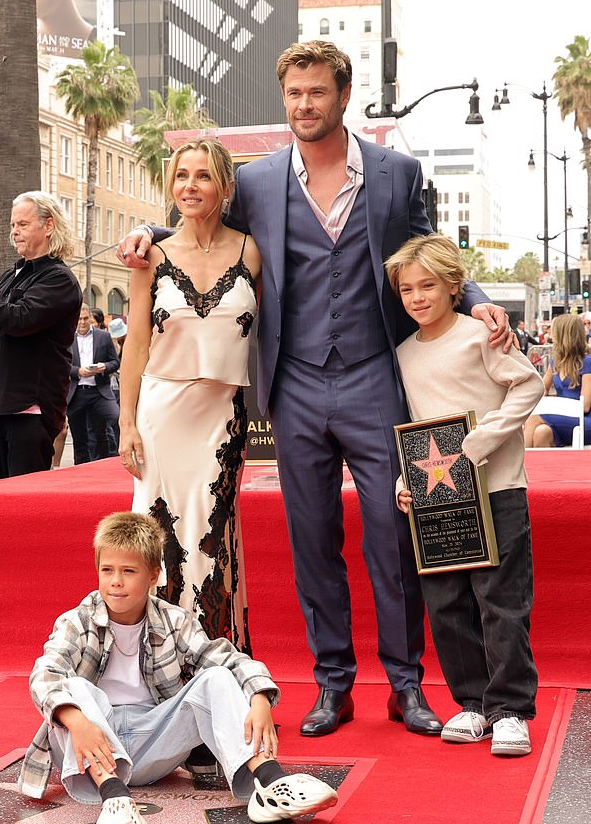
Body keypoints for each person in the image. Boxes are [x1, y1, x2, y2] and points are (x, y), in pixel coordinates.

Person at [117, 41, 513, 738]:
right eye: (294, 94)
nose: (304, 104)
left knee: (394, 536)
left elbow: (431, 245)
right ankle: (333, 685)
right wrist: (148, 236)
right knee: (313, 539)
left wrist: (474, 297)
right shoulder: (260, 179)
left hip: (373, 377)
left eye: (317, 93)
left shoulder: (397, 173)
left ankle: (405, 684)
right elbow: (203, 221)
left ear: (343, 94)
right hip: (295, 382)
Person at [18, 511, 337, 824]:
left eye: (128, 571)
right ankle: (115, 800)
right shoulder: (76, 621)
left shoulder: (173, 619)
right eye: (107, 570)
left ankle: (270, 786)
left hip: (154, 742)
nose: (115, 582)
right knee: (74, 687)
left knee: (215, 676)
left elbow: (226, 658)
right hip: (94, 745)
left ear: (154, 574)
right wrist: (78, 723)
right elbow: (45, 674)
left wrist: (258, 699)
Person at [386, 234, 543, 756]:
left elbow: (528, 385)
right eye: (406, 289)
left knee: (500, 599)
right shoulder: (404, 353)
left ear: (455, 286)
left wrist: (480, 442)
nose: (417, 297)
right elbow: (415, 424)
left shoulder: (480, 335)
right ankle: (473, 703)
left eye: (428, 285)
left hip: (496, 487)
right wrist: (407, 479)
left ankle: (511, 710)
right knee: (447, 603)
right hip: (438, 495)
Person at [118, 138, 261, 657]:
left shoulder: (252, 251)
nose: (190, 186)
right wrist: (127, 423)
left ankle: (219, 661)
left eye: (202, 176)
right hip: (161, 414)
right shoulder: (150, 257)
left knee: (213, 533)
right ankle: (157, 663)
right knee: (160, 533)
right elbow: (135, 345)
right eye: (181, 176)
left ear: (225, 186)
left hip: (222, 418)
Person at [0, 191, 82, 482]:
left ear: (48, 225)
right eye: (14, 225)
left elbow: (19, 320)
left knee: (24, 503)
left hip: (30, 410)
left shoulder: (59, 278)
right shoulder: (11, 274)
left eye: (23, 224)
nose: (15, 232)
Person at [524, 313, 591, 447]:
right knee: (541, 433)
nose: (551, 336)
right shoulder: (556, 361)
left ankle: (516, 464)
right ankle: (540, 468)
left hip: (583, 420)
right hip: (562, 418)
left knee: (533, 419)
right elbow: (541, 389)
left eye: (554, 332)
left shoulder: (588, 361)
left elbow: (585, 406)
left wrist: (553, 406)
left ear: (563, 335)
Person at [67, 303, 120, 463]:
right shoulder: (67, 338)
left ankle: (109, 463)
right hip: (77, 393)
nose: (82, 322)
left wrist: (104, 367)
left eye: (85, 318)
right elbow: (61, 364)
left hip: (100, 391)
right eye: (79, 319)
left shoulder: (102, 336)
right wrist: (78, 371)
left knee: (113, 421)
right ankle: (79, 473)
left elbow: (115, 362)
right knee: (79, 439)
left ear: (90, 317)